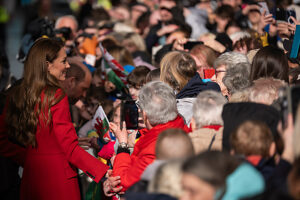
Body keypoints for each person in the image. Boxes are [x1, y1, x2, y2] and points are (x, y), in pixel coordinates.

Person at [0, 38, 109, 200]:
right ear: (48, 65)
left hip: (31, 181)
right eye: (63, 61)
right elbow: (70, 149)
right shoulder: (56, 95)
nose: (68, 65)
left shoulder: (14, 95)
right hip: (58, 183)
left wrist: (32, 159)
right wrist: (104, 172)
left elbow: (4, 142)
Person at [106, 81, 189, 193]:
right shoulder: (180, 126)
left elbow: (122, 183)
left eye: (139, 106)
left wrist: (122, 146)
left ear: (144, 113)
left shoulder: (155, 148)